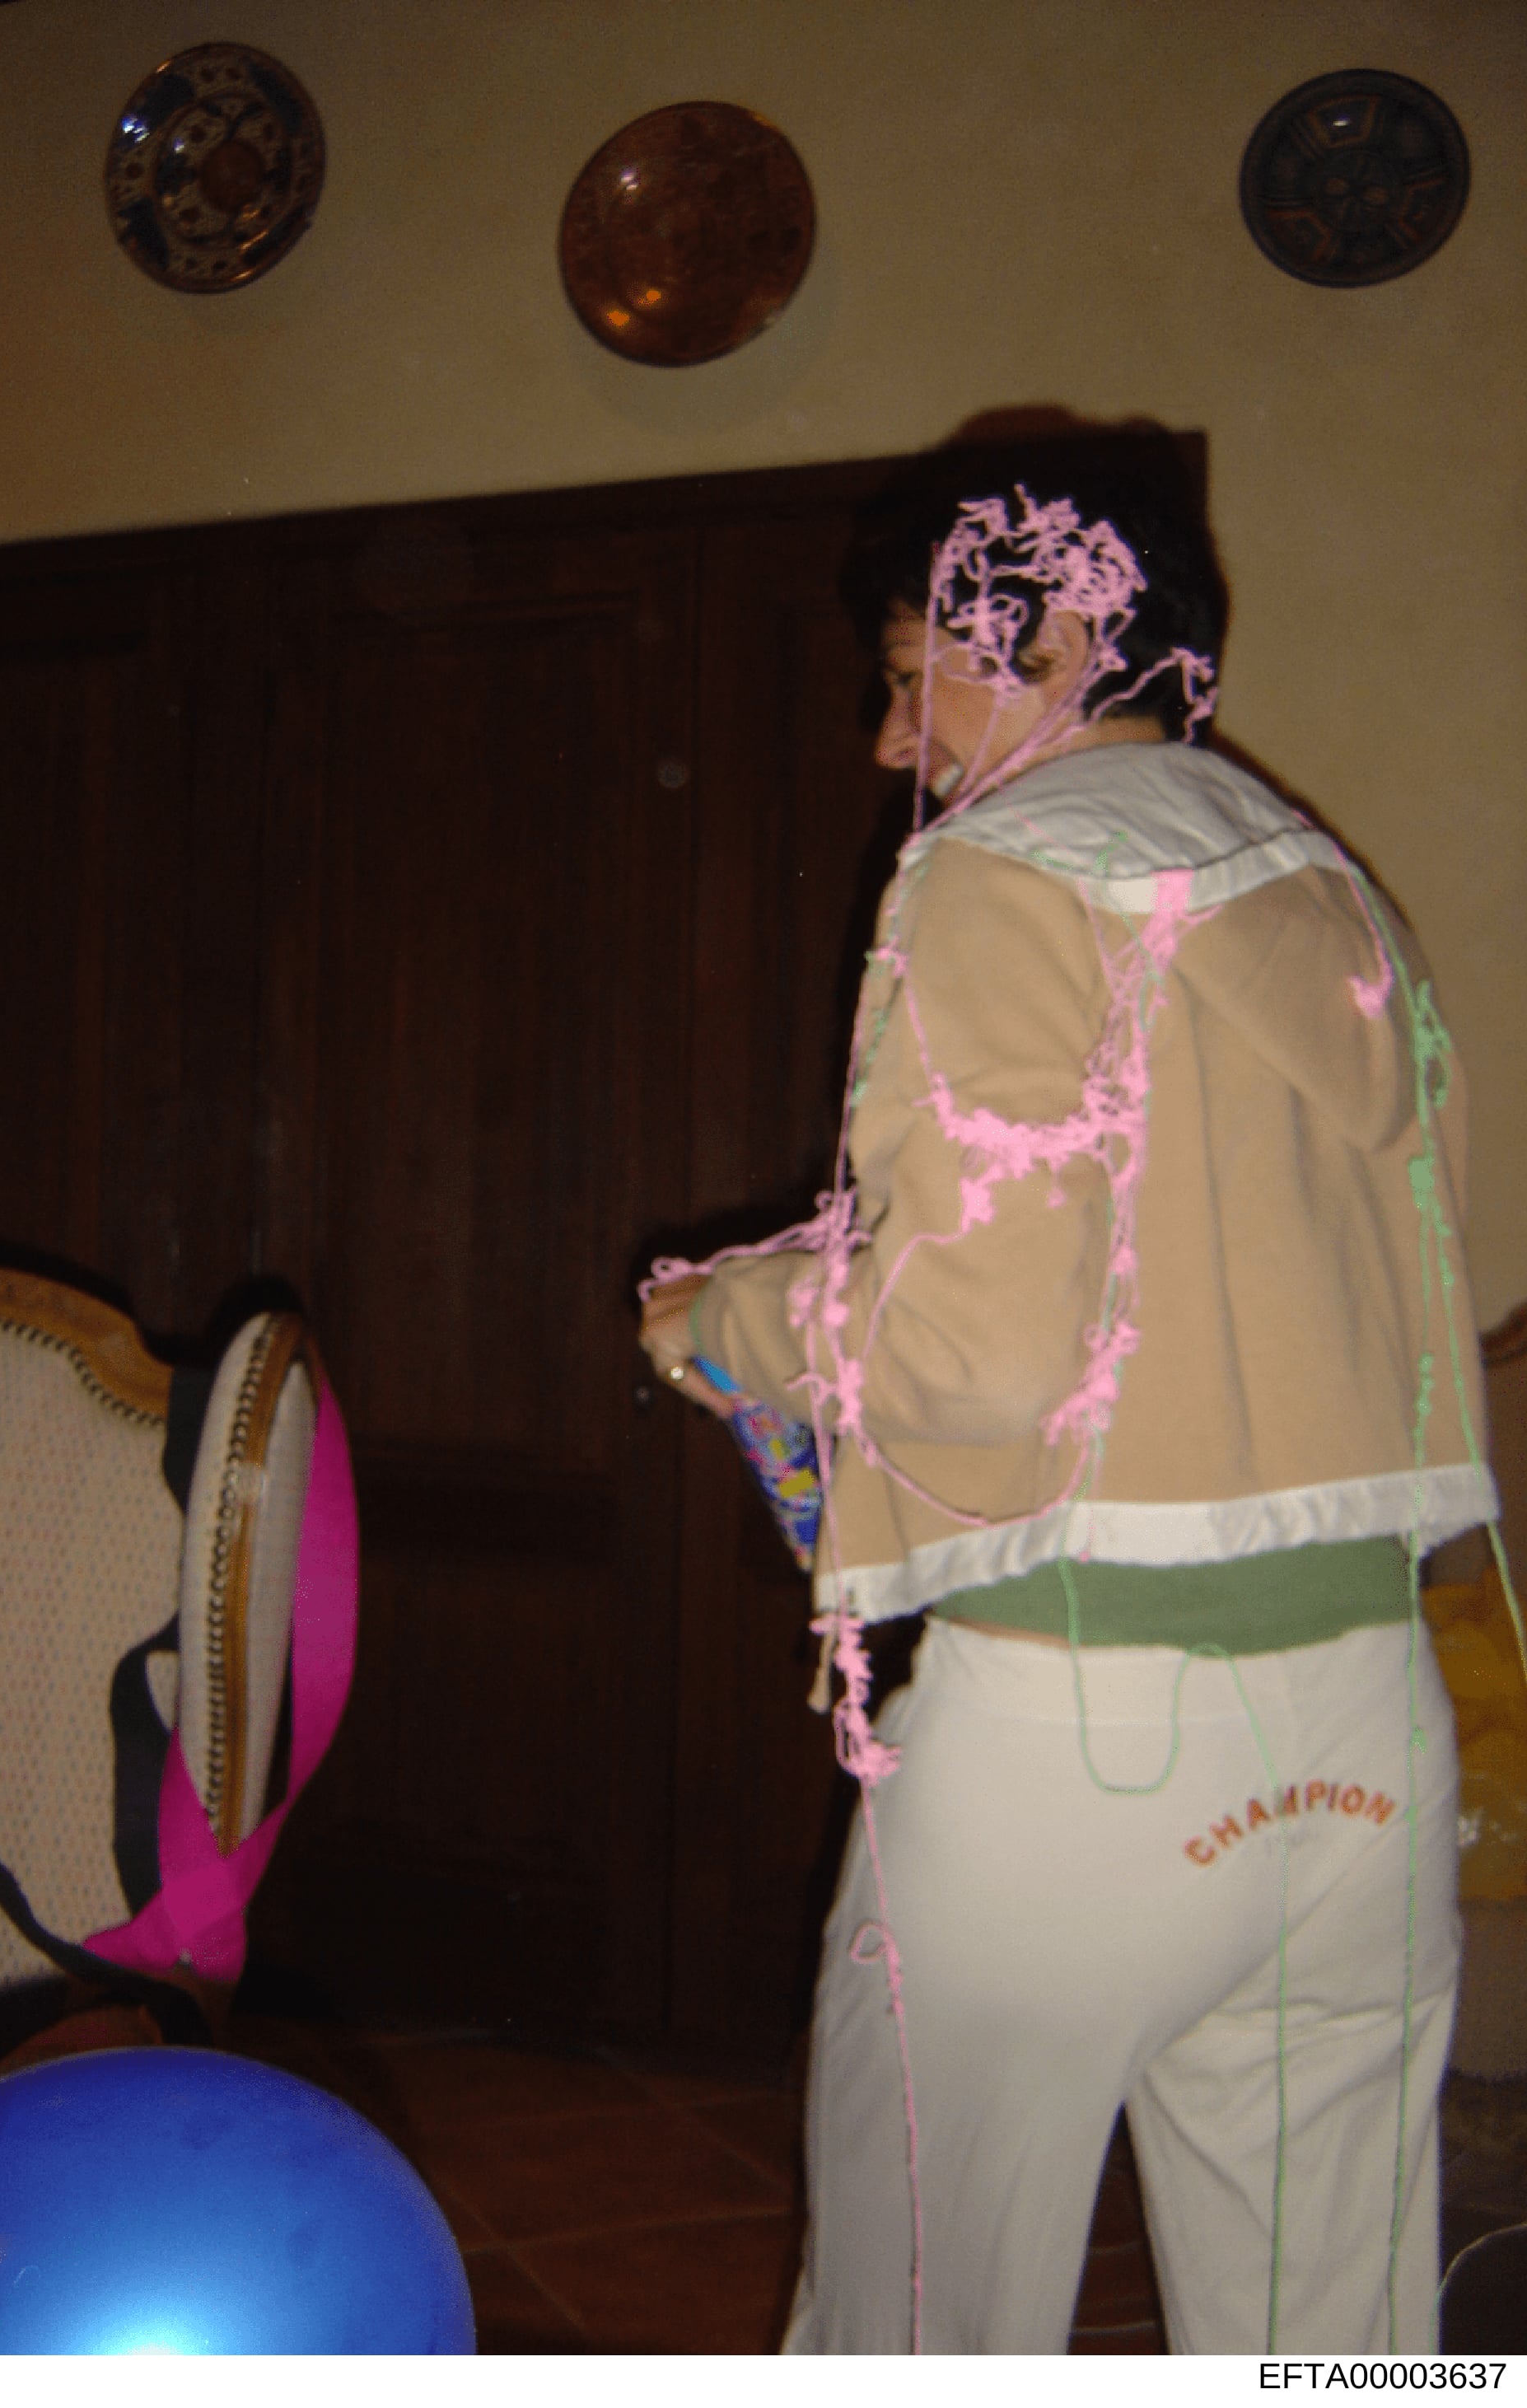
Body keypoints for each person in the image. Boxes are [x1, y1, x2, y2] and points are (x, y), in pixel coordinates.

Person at [638, 439, 1498, 2354]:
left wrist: (728, 1320)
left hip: (1076, 1753)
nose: (887, 740)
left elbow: (972, 1356)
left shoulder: (996, 872)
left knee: (916, 2340)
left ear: (1040, 638)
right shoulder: (1325, 888)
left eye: (905, 670)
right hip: (1363, 1740)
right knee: (1338, 2349)